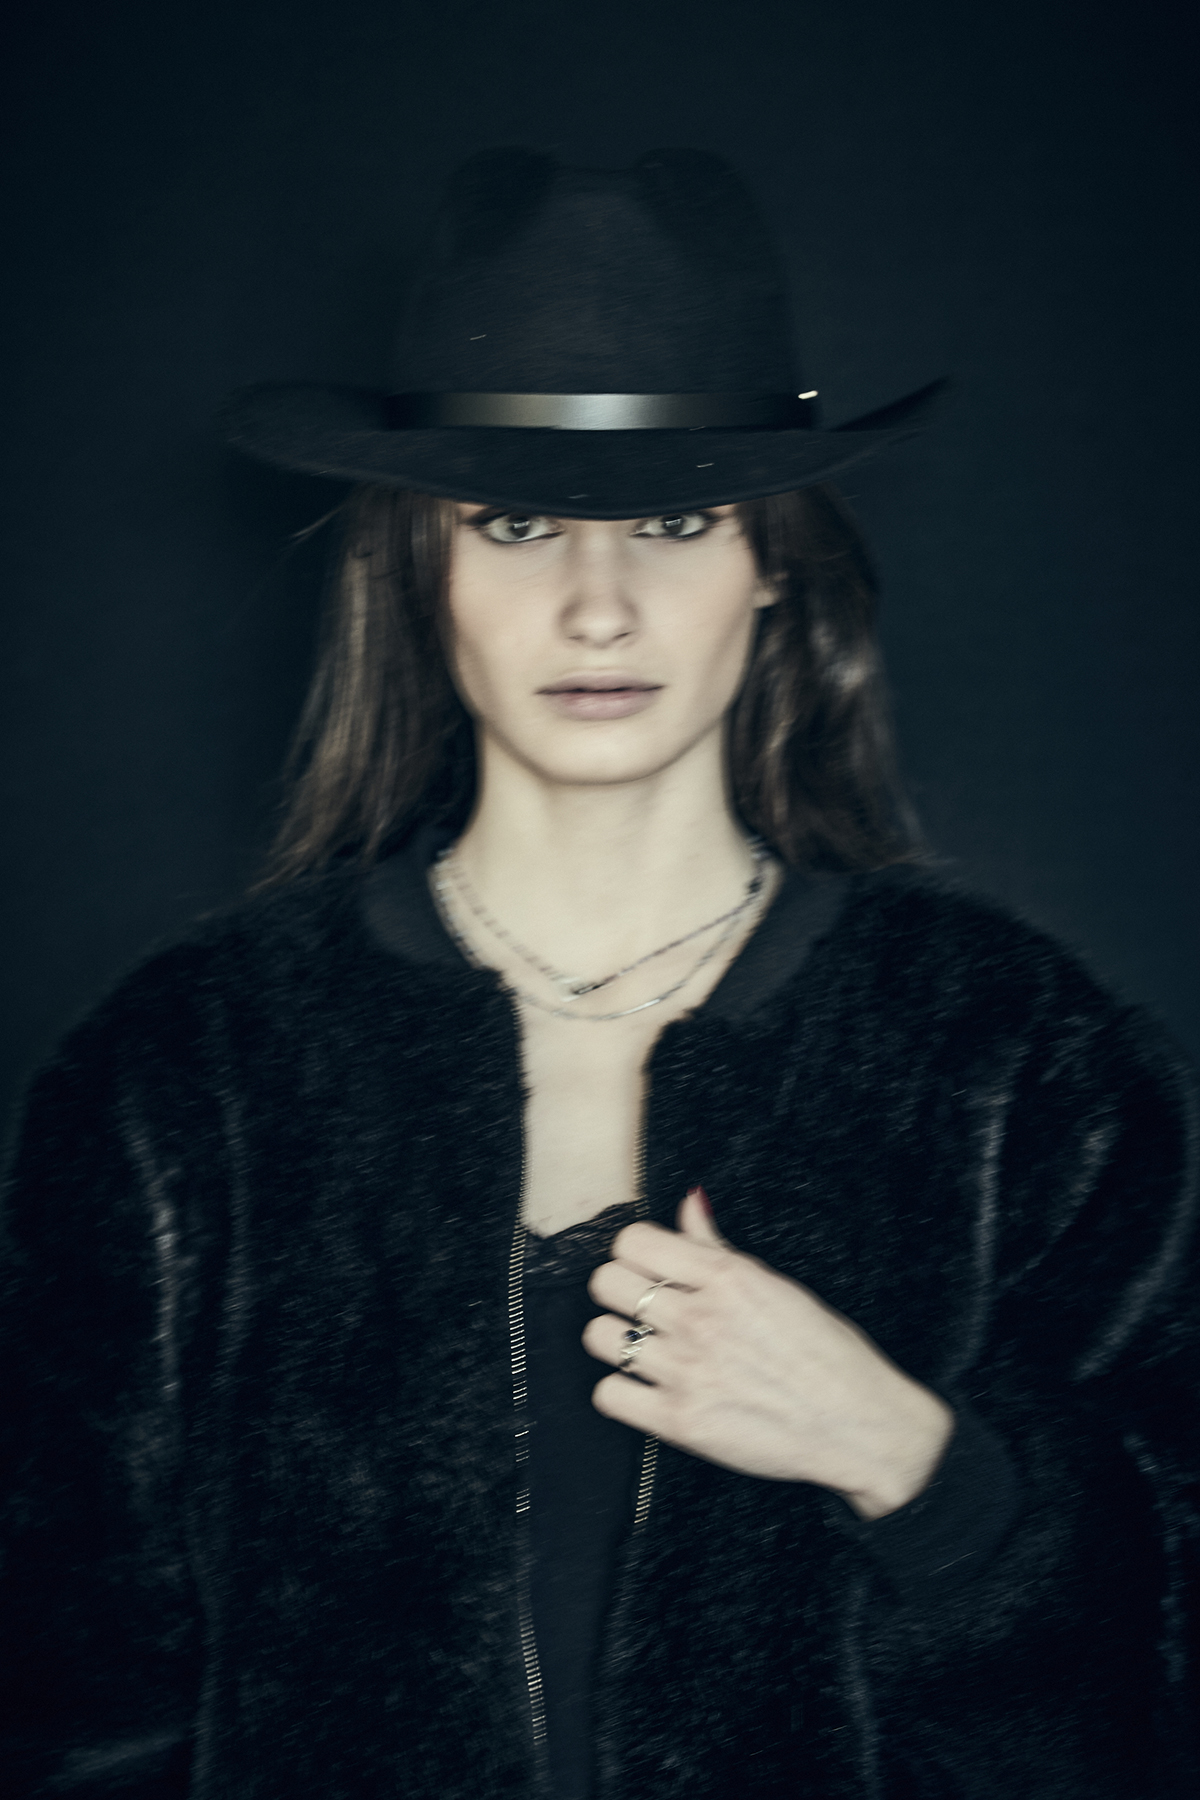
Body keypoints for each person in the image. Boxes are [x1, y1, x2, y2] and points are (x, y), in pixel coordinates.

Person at [1, 146, 1196, 1800]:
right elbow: (71, 1696)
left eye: (677, 521)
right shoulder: (189, 1073)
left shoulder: (1016, 1060)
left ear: (773, 563)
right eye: (514, 525)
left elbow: (1163, 1649)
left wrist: (912, 1457)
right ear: (417, 570)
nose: (598, 605)